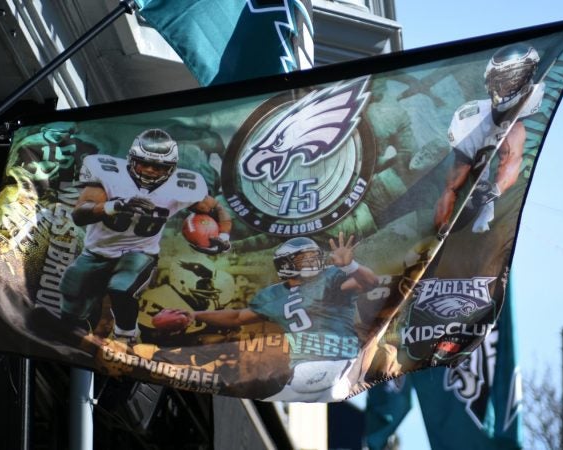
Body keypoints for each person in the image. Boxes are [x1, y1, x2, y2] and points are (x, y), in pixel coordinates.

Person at [56, 128, 232, 347]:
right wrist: (116, 205)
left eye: (158, 166)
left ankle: (126, 337)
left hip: (140, 252)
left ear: (171, 168)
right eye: (143, 163)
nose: (149, 170)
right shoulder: (109, 174)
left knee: (122, 287)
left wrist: (223, 236)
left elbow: (216, 209)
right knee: (72, 290)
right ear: (131, 160)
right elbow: (80, 214)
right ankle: (73, 335)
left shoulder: (182, 185)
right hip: (97, 251)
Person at [173, 232, 379, 402]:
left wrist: (350, 266)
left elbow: (370, 282)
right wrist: (195, 315)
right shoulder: (272, 296)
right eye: (303, 258)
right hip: (300, 368)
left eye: (313, 255)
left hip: (340, 359)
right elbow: (237, 317)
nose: (312, 261)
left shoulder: (332, 277)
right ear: (285, 264)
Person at [435, 43, 545, 235]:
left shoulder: (518, 124)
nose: (500, 89)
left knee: (513, 142)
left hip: (488, 181)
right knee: (454, 183)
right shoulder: (471, 116)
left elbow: (512, 159)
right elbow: (455, 178)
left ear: (524, 78)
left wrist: (494, 191)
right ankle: (440, 230)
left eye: (508, 81)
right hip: (471, 171)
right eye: (497, 82)